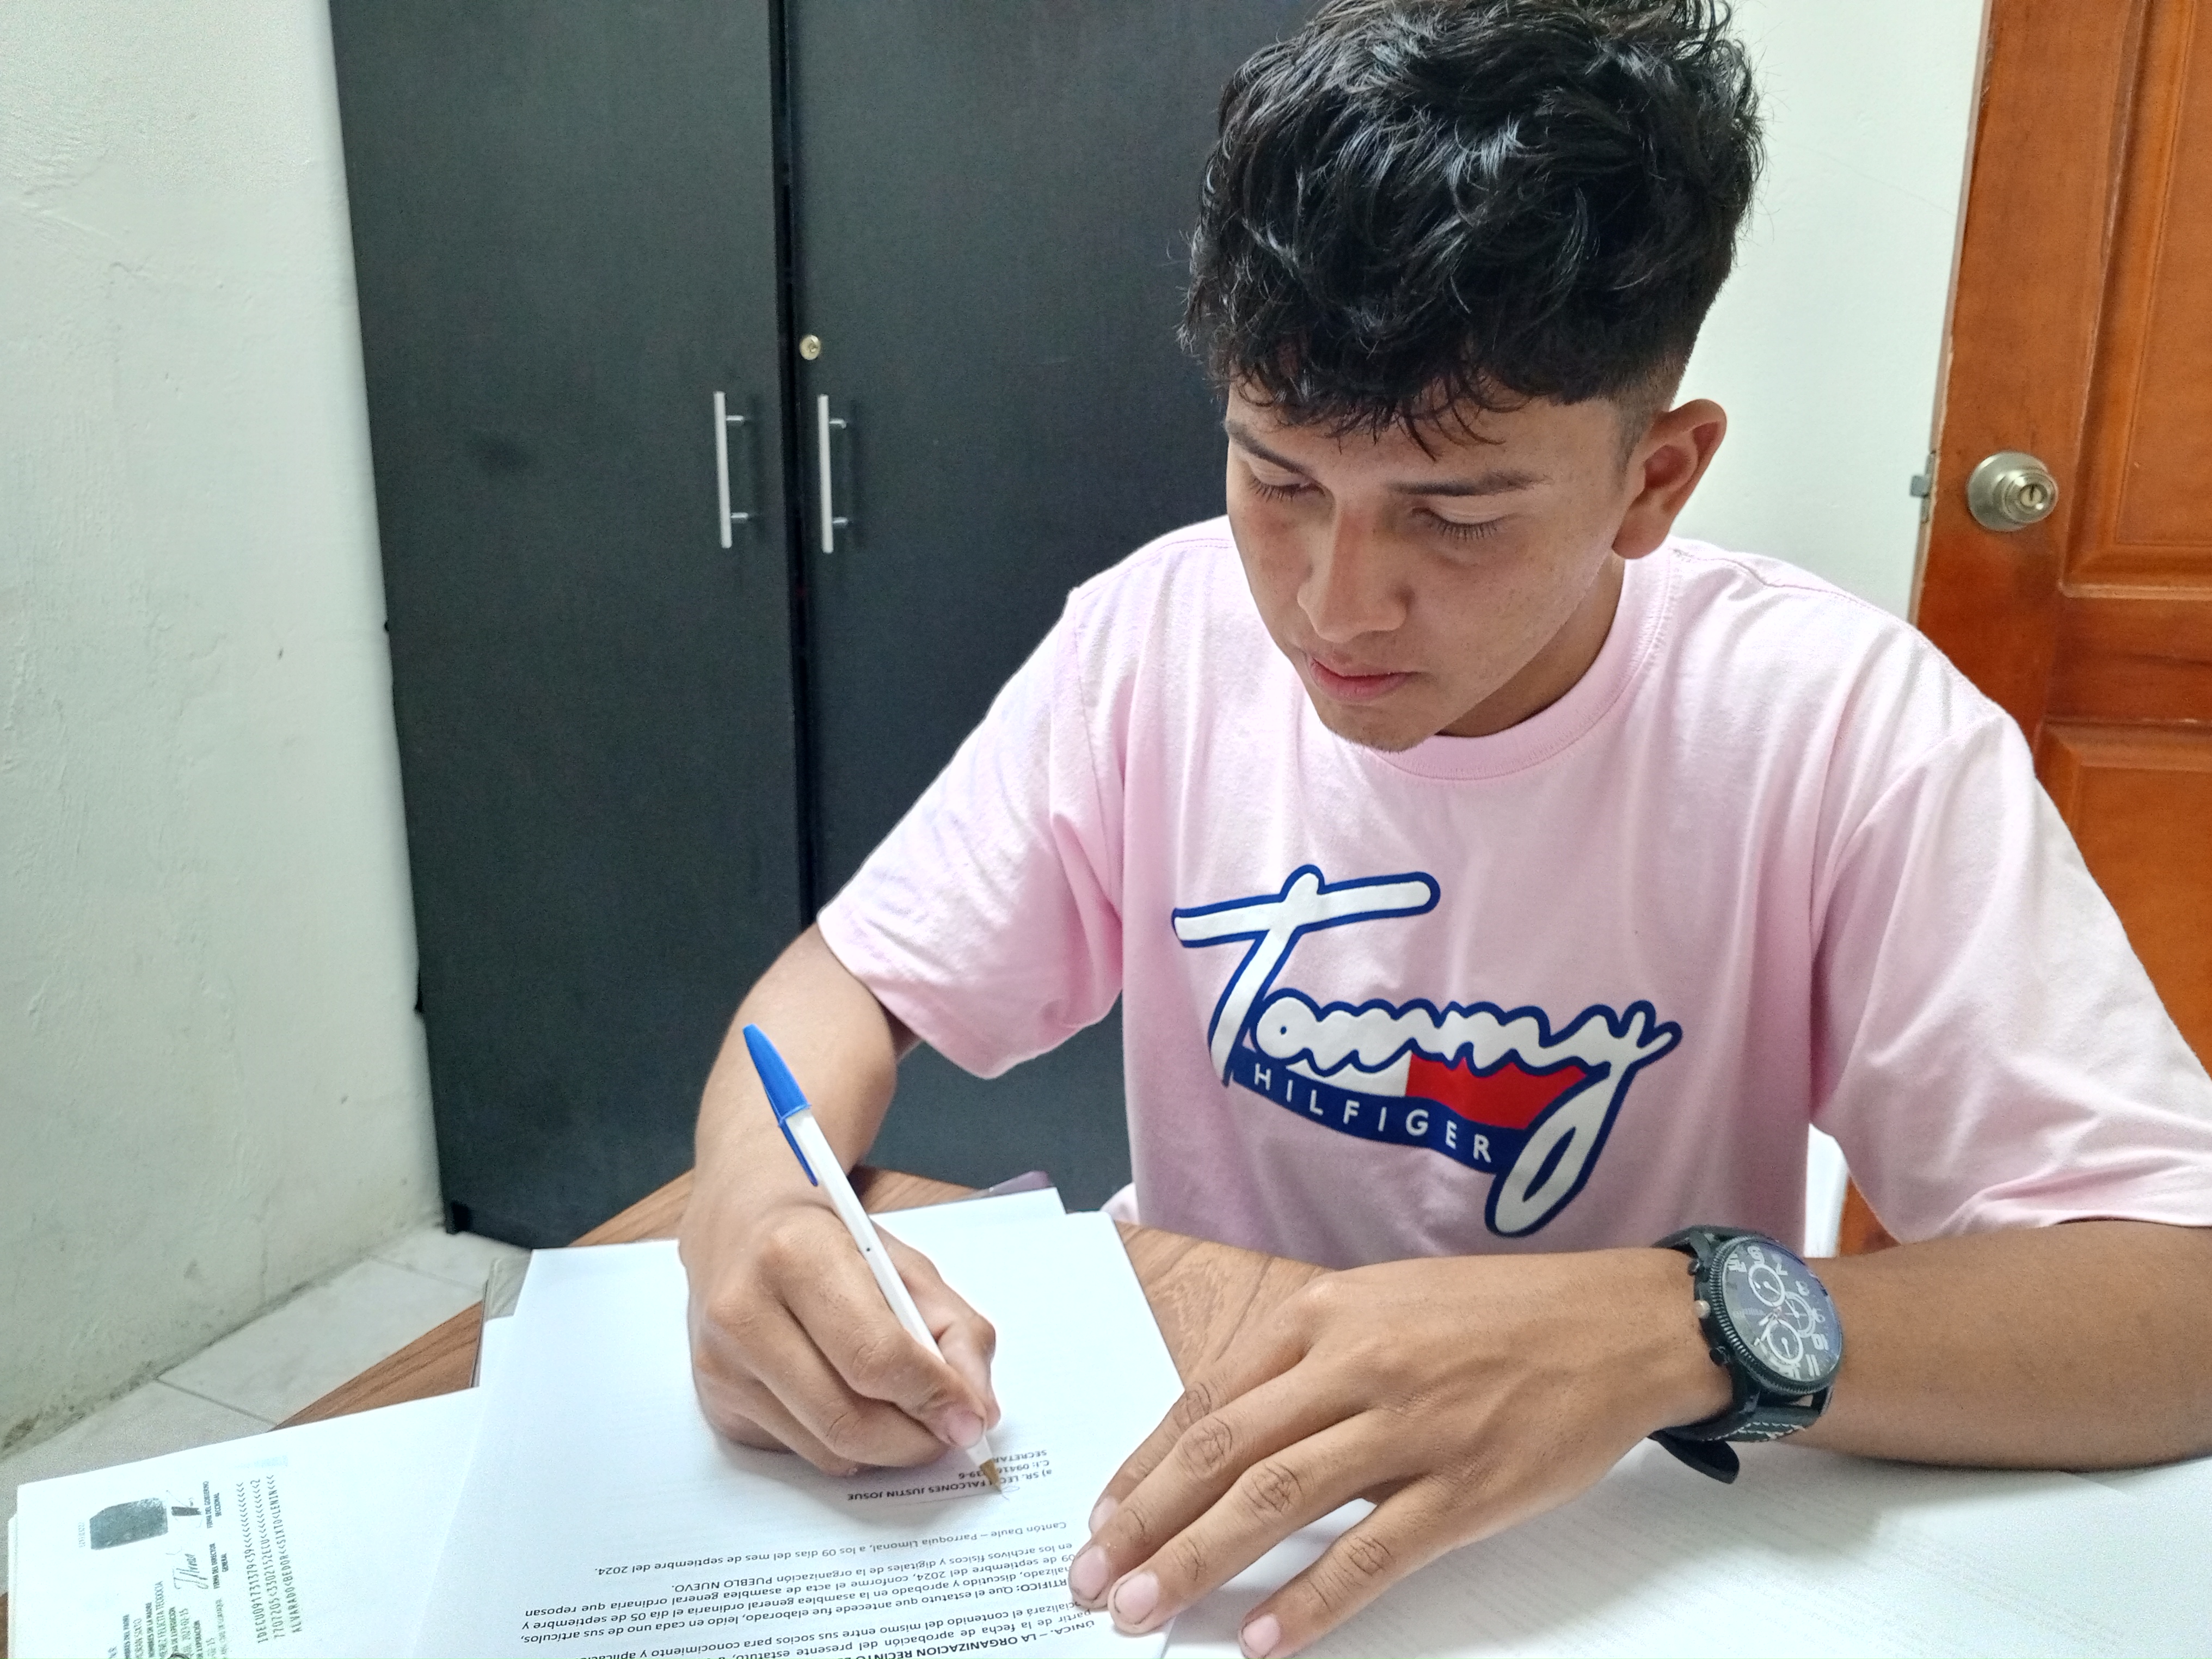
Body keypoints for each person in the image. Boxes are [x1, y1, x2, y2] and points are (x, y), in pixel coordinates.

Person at [677, 3, 2212, 1655]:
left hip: (1620, 1536)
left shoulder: (1837, 726)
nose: (1335, 606)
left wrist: (1672, 1325)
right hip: (1191, 1498)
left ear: (1657, 480)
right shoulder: (1155, 640)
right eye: (1278, 481)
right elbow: (841, 992)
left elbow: (2177, 1299)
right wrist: (752, 1215)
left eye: (1457, 515)